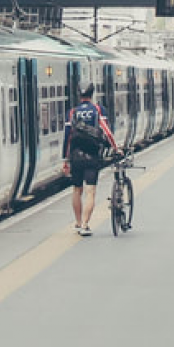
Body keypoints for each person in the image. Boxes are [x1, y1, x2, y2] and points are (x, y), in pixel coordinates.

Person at [62, 84, 119, 236]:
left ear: (79, 95)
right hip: (92, 155)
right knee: (90, 191)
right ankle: (85, 225)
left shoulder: (72, 112)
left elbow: (67, 137)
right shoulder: (99, 110)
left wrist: (65, 160)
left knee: (76, 190)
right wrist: (116, 147)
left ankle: (78, 222)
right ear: (92, 95)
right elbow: (107, 132)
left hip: (75, 156)